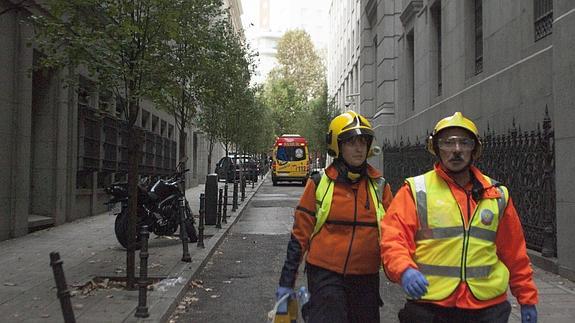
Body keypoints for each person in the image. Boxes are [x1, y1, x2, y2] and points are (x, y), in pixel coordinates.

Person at [380, 112, 538, 323]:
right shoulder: (416, 191)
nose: (456, 150)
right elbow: (393, 239)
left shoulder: (497, 195)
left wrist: (527, 298)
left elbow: (515, 253)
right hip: (430, 307)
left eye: (464, 143)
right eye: (448, 143)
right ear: (436, 148)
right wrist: (404, 270)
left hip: (487, 309)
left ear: (474, 149)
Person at [276, 110, 394, 323]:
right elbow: (299, 236)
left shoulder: (379, 186)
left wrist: (403, 270)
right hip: (325, 275)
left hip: (365, 279)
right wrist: (286, 283)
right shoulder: (319, 183)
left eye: (363, 141)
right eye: (351, 142)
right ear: (338, 146)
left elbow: (394, 235)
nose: (359, 148)